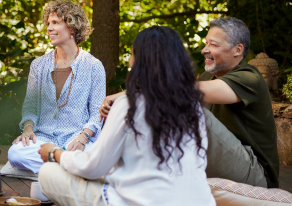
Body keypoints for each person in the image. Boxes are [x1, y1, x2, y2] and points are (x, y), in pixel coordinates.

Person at [38, 26, 216, 206]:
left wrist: (55, 154)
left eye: (132, 54)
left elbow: (93, 166)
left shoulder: (129, 104)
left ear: (140, 62)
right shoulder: (194, 108)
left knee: (48, 172)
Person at [101, 17, 279, 188]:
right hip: (219, 163)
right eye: (206, 43)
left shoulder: (250, 77)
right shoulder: (207, 76)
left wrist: (128, 95)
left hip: (256, 173)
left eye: (213, 45)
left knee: (186, 106)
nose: (204, 50)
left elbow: (184, 91)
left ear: (237, 50)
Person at [3, 0, 106, 175]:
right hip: (43, 139)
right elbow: (30, 107)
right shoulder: (38, 65)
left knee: (92, 155)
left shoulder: (93, 66)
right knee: (15, 153)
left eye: (55, 23)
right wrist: (28, 128)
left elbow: (97, 112)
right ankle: (67, 167)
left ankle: (54, 167)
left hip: (76, 139)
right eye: (48, 23)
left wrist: (83, 138)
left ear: (72, 28)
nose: (49, 28)